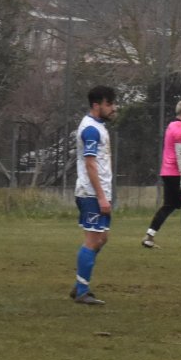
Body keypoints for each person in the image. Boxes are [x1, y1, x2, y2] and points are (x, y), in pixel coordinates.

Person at [69, 86, 117, 305]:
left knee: (102, 238)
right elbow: (90, 165)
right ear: (96, 105)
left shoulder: (98, 126)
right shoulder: (91, 129)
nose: (113, 108)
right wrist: (101, 197)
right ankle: (82, 291)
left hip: (99, 192)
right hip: (91, 193)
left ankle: (81, 281)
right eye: (109, 104)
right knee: (92, 240)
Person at [142, 100, 181, 250]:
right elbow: (179, 154)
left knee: (169, 205)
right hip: (176, 174)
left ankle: (149, 237)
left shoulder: (172, 125)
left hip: (167, 172)